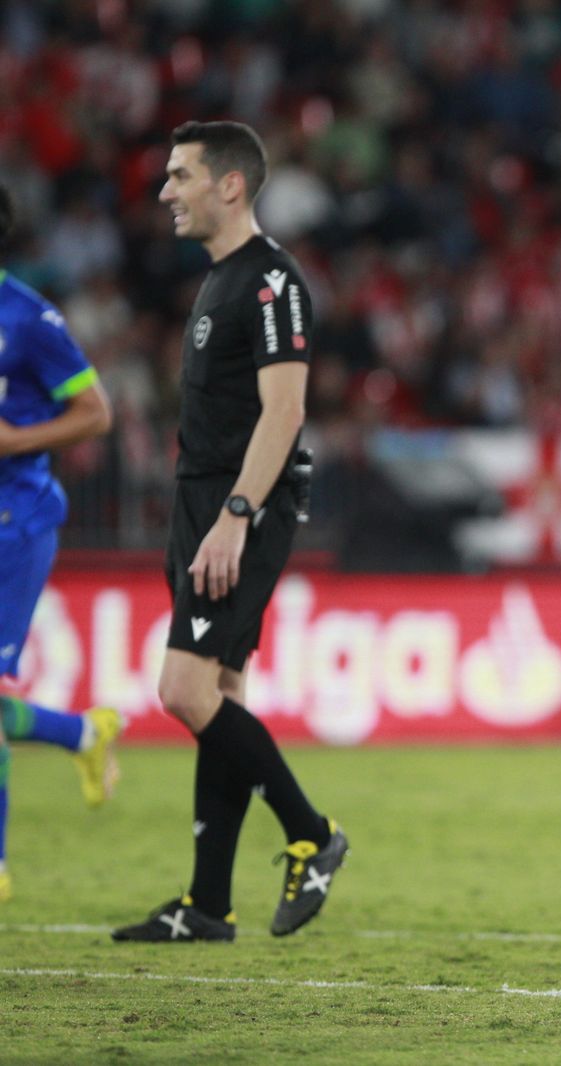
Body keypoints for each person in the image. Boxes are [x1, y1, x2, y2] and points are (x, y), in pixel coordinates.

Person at [112, 122, 347, 943]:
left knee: (182, 690)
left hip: (239, 508)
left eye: (181, 176)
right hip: (202, 502)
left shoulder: (272, 281)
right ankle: (208, 905)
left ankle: (311, 833)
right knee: (223, 698)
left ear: (231, 185)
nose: (167, 191)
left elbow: (286, 410)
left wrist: (235, 518)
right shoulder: (219, 281)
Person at [0, 182, 123, 904]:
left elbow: (96, 413)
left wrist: (17, 439)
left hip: (16, 521)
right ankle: (81, 734)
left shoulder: (28, 318)